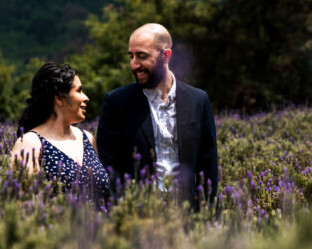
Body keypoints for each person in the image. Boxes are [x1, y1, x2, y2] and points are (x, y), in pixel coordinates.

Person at [96, 23, 218, 209]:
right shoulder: (117, 102)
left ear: (166, 55)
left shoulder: (198, 100)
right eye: (131, 56)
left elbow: (208, 165)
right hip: (139, 217)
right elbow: (110, 167)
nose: (134, 64)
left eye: (142, 56)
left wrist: (208, 216)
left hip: (188, 216)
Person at [11, 62, 109, 205]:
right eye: (79, 91)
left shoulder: (88, 138)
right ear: (59, 98)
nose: (86, 97)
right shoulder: (29, 143)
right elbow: (24, 205)